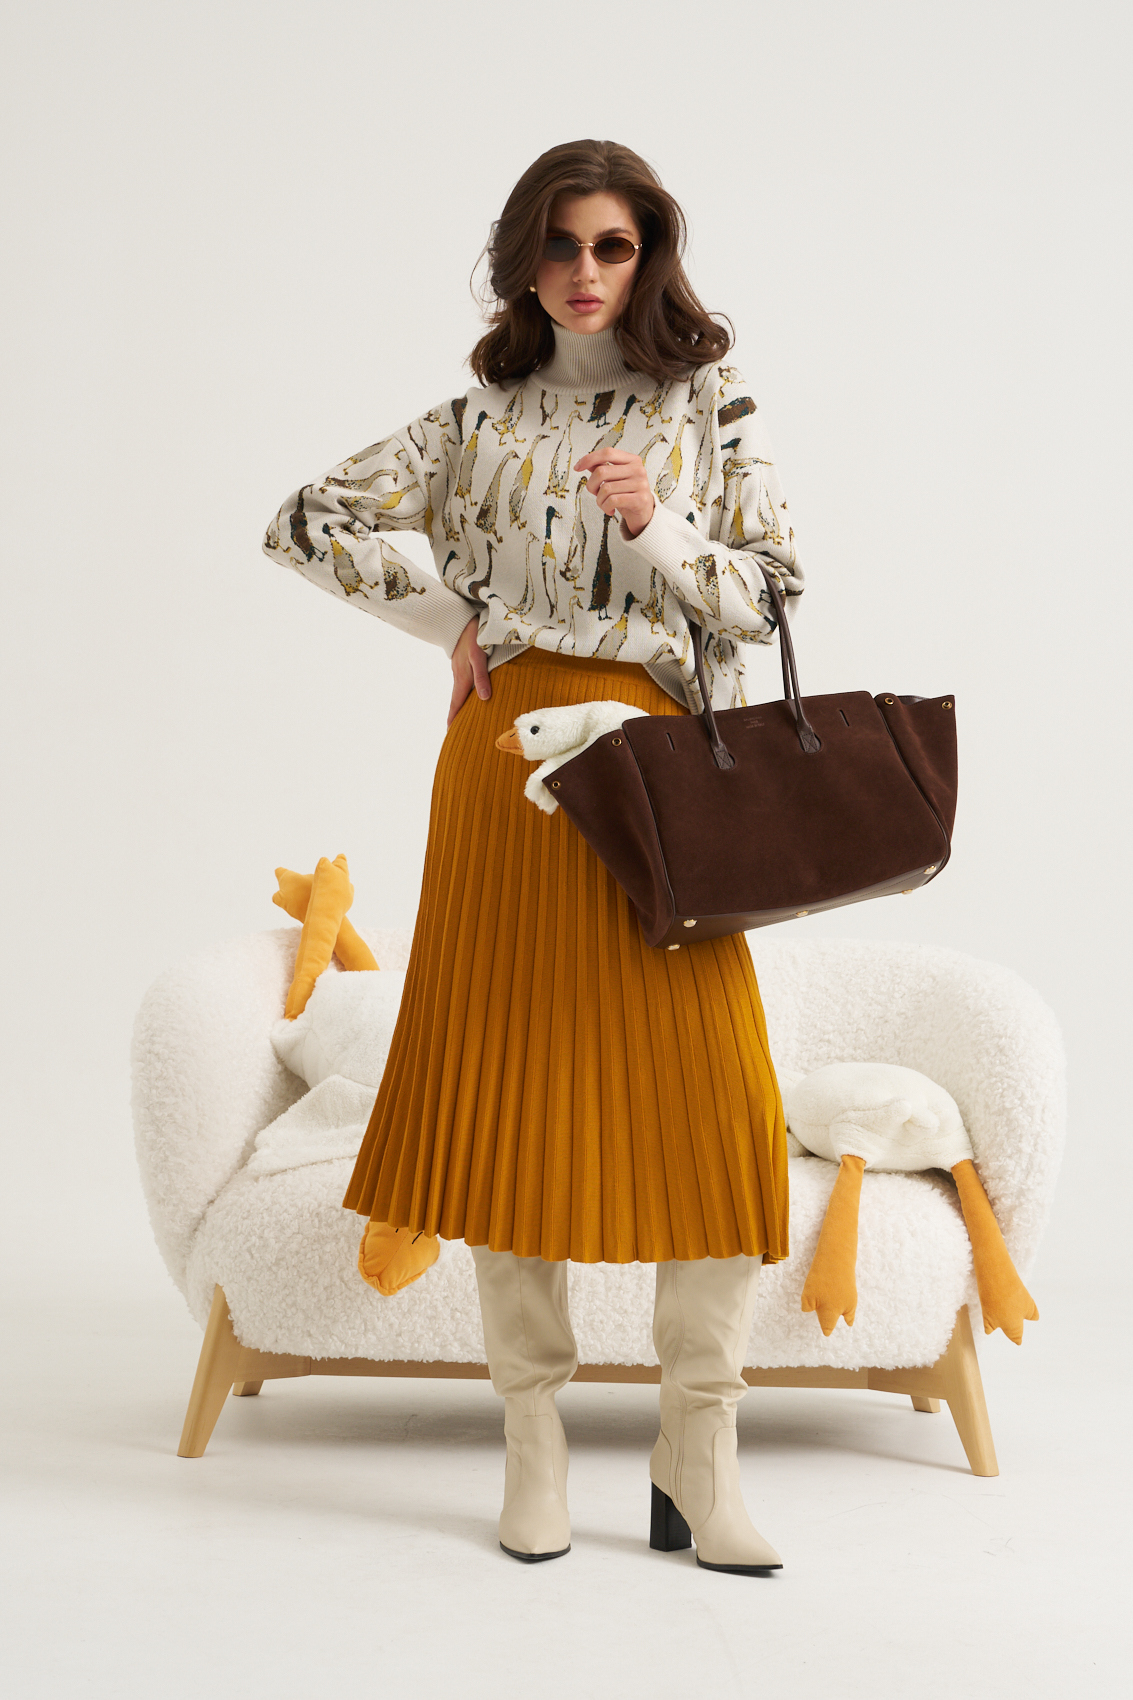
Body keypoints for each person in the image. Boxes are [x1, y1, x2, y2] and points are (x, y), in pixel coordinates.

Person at [263, 138, 805, 1574]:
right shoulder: (474, 419)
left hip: (660, 774)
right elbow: (306, 520)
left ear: (650, 256)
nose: (583, 271)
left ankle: (699, 1455)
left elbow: (767, 600)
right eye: (559, 244)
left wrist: (657, 524)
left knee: (714, 1105)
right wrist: (452, 623)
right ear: (523, 259)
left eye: (611, 245)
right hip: (505, 775)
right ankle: (534, 1446)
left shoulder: (709, 407)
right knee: (510, 1097)